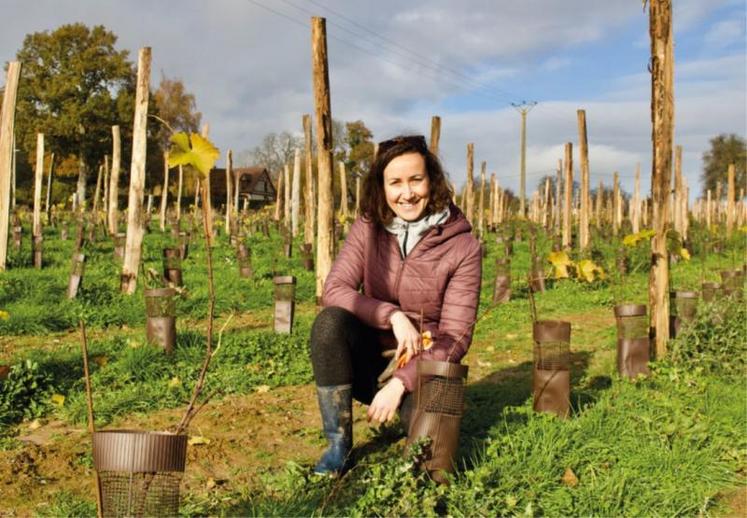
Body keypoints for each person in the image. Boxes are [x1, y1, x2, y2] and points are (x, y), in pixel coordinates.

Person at [309, 134, 482, 475]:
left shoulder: (463, 248)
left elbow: (455, 337)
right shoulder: (369, 226)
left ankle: (406, 418)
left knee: (429, 459)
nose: (407, 193)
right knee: (330, 322)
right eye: (396, 183)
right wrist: (392, 315)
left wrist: (401, 381)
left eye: (416, 180)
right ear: (382, 186)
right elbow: (335, 289)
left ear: (431, 180)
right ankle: (338, 445)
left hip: (423, 365)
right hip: (370, 356)